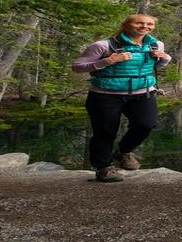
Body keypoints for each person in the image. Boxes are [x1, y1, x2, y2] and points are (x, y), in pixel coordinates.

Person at [71, 14, 171, 182]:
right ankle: (103, 168)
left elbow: (154, 66)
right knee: (105, 132)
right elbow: (77, 67)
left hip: (142, 92)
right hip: (105, 95)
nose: (145, 26)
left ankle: (123, 152)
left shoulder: (156, 44)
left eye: (149, 24)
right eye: (139, 23)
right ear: (125, 25)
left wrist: (165, 58)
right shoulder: (103, 46)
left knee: (146, 124)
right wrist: (108, 61)